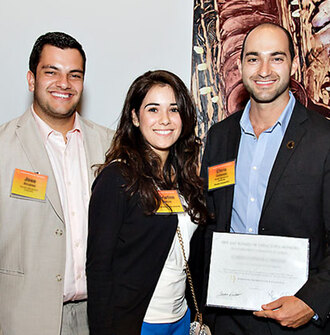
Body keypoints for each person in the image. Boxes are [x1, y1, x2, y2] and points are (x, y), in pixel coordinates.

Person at [201, 23, 330, 334]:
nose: (264, 70)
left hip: (296, 321)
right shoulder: (219, 138)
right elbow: (209, 221)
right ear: (240, 65)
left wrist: (313, 301)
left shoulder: (324, 139)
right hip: (227, 317)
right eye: (253, 58)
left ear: (294, 64)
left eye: (276, 58)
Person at [0, 32, 114, 335]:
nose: (64, 83)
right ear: (31, 79)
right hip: (24, 318)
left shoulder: (111, 145)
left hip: (98, 316)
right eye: (51, 72)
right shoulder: (3, 146)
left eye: (74, 75)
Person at [86, 70, 208, 335]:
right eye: (153, 109)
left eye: (173, 109)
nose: (164, 120)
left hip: (181, 319)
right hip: (138, 322)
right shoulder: (117, 178)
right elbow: (99, 267)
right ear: (135, 117)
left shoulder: (185, 178)